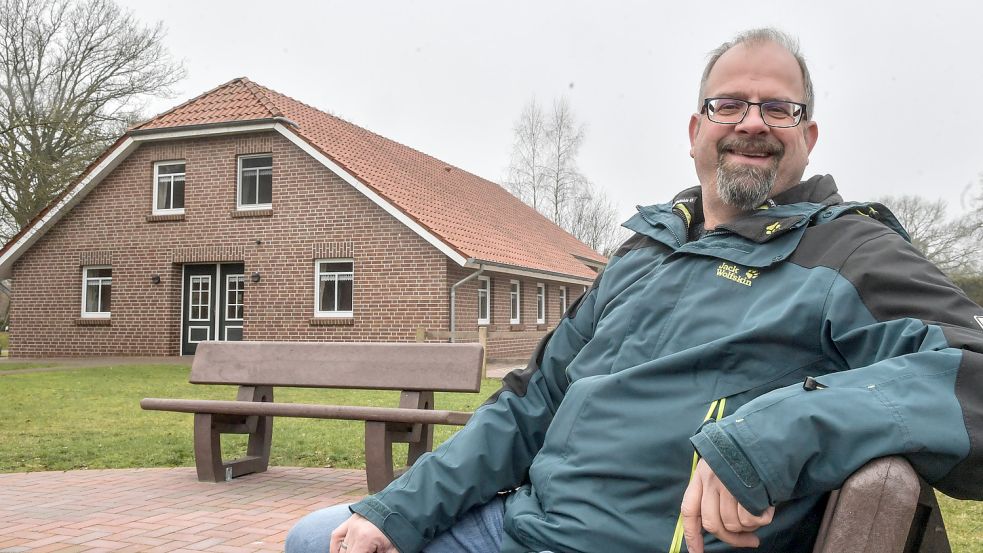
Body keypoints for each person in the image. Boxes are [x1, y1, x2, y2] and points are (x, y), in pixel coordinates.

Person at [287, 28, 983, 553]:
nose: (750, 122)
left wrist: (774, 433)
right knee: (320, 536)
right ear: (693, 130)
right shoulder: (643, 251)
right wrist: (398, 507)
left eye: (777, 107)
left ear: (808, 134)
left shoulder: (848, 253)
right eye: (728, 103)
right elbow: (531, 402)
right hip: (523, 527)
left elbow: (972, 379)